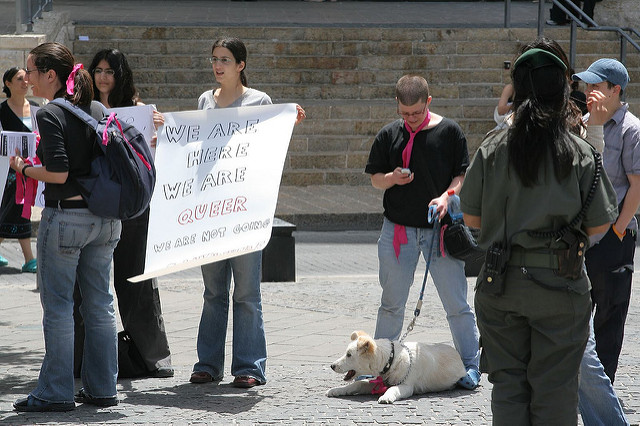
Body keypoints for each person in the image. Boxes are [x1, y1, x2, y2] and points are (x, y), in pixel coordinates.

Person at [460, 43, 618, 424]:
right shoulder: (578, 151)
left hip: (502, 286)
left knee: (509, 390)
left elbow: (472, 219)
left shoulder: (492, 147)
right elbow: (599, 225)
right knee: (556, 392)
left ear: (517, 90)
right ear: (563, 92)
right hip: (560, 288)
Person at [10, 42, 121, 412]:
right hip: (104, 220)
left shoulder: (50, 113)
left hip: (66, 220)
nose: (26, 78)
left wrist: (23, 169)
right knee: (100, 304)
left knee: (58, 307)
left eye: (31, 71)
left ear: (51, 75)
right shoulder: (96, 108)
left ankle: (56, 391)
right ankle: (103, 388)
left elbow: (58, 173)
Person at [190, 37, 306, 388]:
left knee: (246, 293)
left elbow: (267, 145)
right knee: (213, 292)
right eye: (214, 59)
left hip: (244, 210)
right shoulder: (204, 101)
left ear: (241, 64)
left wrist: (287, 121)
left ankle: (249, 367)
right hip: (211, 209)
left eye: (225, 59)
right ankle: (207, 364)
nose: (218, 65)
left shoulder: (258, 101)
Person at [364, 74, 481, 390]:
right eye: (404, 113)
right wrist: (392, 178)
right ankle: (377, 366)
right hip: (397, 230)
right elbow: (375, 178)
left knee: (456, 304)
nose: (410, 119)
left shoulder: (449, 132)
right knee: (391, 302)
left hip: (438, 231)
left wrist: (446, 197)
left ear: (428, 102)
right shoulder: (390, 134)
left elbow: (461, 176)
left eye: (416, 112)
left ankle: (470, 366)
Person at [72, 48, 173, 379]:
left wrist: (159, 131)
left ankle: (152, 357)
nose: (103, 76)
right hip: (96, 203)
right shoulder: (80, 108)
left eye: (110, 71)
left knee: (137, 280)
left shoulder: (139, 110)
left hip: (132, 206)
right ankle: (83, 357)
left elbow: (151, 153)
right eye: (98, 69)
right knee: (88, 283)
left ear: (120, 75)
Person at [572, 58, 640, 385]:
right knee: (574, 316)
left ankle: (604, 392)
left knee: (609, 320)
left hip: (615, 236)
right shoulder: (582, 124)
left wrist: (616, 230)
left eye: (596, 86)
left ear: (615, 91)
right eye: (586, 85)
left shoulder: (631, 129)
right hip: (581, 237)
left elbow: (637, 186)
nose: (588, 91)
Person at [0, 67, 37, 274]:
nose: (25, 82)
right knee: (12, 208)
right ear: (8, 83)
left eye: (27, 79)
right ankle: (29, 258)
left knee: (21, 209)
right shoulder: (2, 111)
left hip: (28, 170)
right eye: (19, 79)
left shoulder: (35, 108)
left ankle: (29, 258)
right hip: (7, 171)